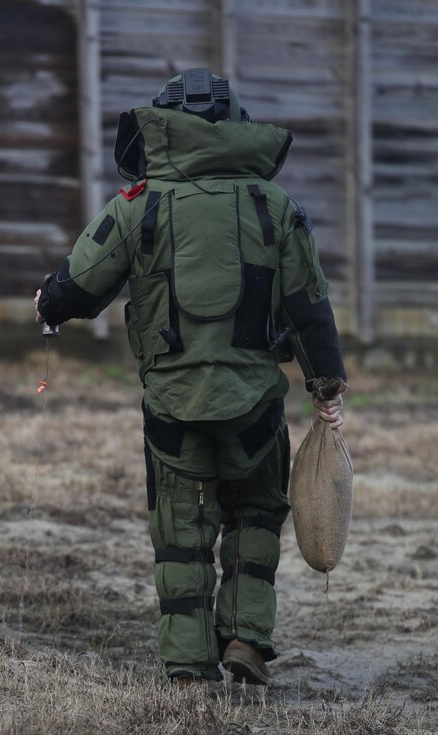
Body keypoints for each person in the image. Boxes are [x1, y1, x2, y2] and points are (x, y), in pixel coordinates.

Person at [34, 68, 346, 686]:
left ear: (163, 125)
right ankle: (246, 641)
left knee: (180, 533)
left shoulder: (137, 205)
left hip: (172, 409)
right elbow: (309, 309)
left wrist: (47, 302)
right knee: (256, 517)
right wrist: (327, 389)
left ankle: (185, 665)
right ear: (237, 125)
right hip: (256, 407)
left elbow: (79, 285)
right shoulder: (276, 207)